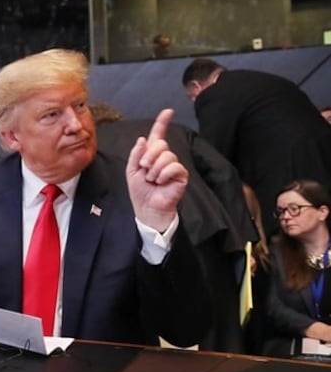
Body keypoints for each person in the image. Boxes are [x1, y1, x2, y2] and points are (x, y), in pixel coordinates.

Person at [0, 48, 210, 347]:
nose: (76, 125)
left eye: (80, 106)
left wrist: (156, 224)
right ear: (11, 137)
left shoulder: (133, 192)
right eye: (51, 115)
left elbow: (184, 329)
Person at [93, 102, 257, 353]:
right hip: (208, 231)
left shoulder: (90, 146)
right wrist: (242, 241)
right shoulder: (177, 131)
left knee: (169, 340)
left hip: (148, 241)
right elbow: (224, 173)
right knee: (223, 329)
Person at [182, 58, 331, 233]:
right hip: (323, 164)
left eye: (192, 97)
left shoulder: (214, 94)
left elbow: (213, 154)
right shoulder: (272, 82)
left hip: (281, 175)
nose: (195, 102)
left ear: (196, 86)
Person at [261, 180, 331, 356]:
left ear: (322, 212)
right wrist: (312, 328)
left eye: (294, 209)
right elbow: (272, 307)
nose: (286, 217)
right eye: (281, 211)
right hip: (292, 352)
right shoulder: (275, 255)